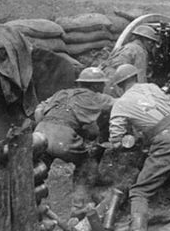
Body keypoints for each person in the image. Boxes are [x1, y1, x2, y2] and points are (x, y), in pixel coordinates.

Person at [108, 64, 170, 231]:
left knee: (139, 191)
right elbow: (166, 108)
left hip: (166, 141)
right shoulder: (152, 87)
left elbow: (116, 138)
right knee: (155, 166)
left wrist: (122, 142)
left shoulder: (121, 103)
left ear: (118, 86)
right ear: (136, 78)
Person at [33, 67, 115, 217]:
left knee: (39, 170)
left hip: (40, 132)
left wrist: (45, 126)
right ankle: (78, 206)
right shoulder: (95, 96)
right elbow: (119, 104)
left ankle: (36, 207)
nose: (103, 87)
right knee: (86, 165)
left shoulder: (62, 93)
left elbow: (39, 110)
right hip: (63, 137)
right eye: (102, 84)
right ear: (96, 85)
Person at [101, 25, 161, 95]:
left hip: (107, 79)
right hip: (118, 80)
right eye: (150, 41)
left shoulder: (126, 46)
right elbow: (141, 78)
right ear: (142, 39)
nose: (152, 45)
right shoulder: (140, 51)